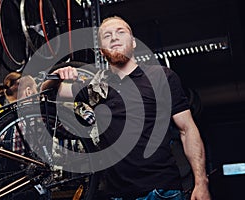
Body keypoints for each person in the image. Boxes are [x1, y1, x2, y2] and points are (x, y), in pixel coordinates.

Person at [41, 16, 211, 200]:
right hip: (117, 195)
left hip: (162, 192)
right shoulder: (96, 87)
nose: (114, 38)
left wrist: (201, 182)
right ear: (101, 50)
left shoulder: (162, 77)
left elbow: (187, 129)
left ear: (133, 42)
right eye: (107, 35)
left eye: (121, 32)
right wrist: (57, 75)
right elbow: (45, 91)